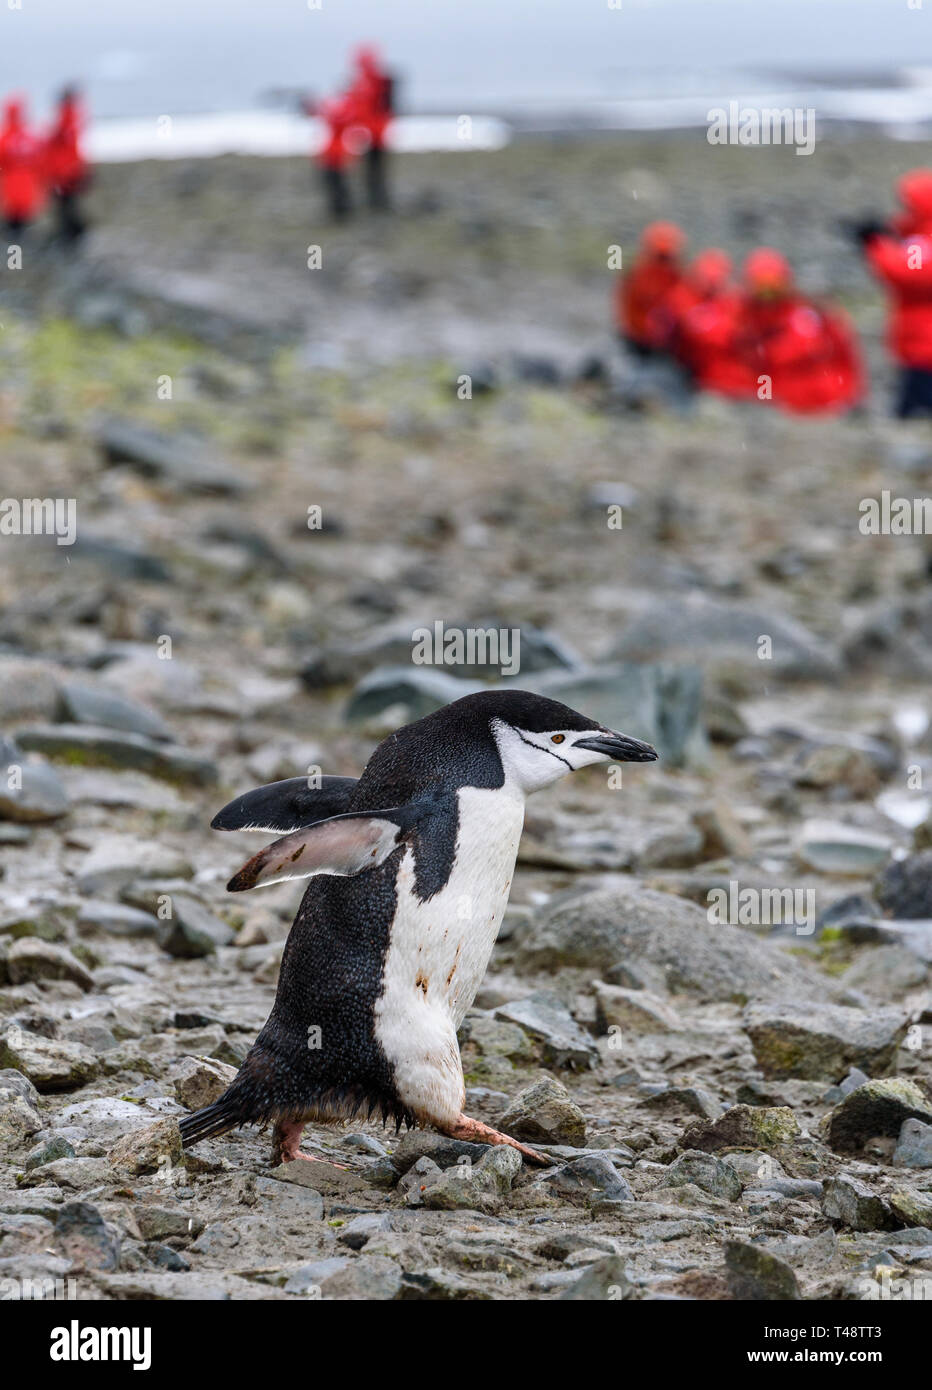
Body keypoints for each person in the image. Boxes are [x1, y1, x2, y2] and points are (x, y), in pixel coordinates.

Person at [735, 248, 864, 414]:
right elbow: (756, 373)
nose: (768, 293)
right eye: (761, 286)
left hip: (825, 405)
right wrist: (766, 404)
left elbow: (843, 354)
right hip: (782, 408)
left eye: (774, 284)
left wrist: (847, 394)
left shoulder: (809, 315)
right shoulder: (744, 322)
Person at [855, 170, 932, 418]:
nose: (904, 209)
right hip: (919, 344)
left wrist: (876, 244)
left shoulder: (924, 240)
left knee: (913, 417)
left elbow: (908, 275)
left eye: (908, 204)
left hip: (925, 346)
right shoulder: (917, 236)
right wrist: (884, 234)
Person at [667, 250, 755, 398]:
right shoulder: (682, 297)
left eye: (716, 281)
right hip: (694, 367)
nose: (712, 285)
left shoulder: (728, 299)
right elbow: (697, 331)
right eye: (709, 280)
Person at [616, 221, 687, 358]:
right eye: (661, 255)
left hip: (668, 343)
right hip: (640, 342)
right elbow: (628, 312)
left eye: (666, 255)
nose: (664, 261)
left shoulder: (678, 275)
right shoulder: (637, 275)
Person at [348, 46, 394, 212]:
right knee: (372, 170)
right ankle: (376, 201)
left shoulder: (377, 82)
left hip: (375, 133)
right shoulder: (364, 82)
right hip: (369, 132)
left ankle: (378, 202)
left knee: (375, 169)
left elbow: (380, 108)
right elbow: (354, 107)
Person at [44, 87, 89, 243]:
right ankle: (73, 232)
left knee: (66, 204)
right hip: (69, 170)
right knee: (67, 203)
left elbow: (60, 145)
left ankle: (73, 233)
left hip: (64, 172)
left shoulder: (67, 120)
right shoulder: (72, 118)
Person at [0, 96, 45, 236]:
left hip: (11, 180)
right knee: (22, 212)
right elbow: (39, 161)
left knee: (13, 213)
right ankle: (20, 238)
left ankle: (15, 240)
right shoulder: (29, 137)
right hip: (26, 180)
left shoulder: (5, 137)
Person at [314, 94, 356, 221]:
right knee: (334, 184)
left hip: (336, 155)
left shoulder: (340, 118)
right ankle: (339, 210)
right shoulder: (339, 118)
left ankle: (341, 211)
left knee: (337, 184)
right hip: (334, 153)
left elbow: (337, 119)